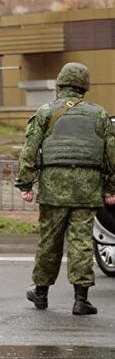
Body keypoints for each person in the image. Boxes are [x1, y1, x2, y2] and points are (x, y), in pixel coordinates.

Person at [16, 62, 115, 315]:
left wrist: (25, 183)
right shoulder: (99, 115)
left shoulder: (46, 112)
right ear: (84, 87)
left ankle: (40, 293)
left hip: (53, 187)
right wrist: (110, 188)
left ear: (60, 85)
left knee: (49, 241)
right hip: (87, 188)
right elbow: (112, 155)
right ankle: (81, 300)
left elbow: (30, 150)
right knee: (81, 242)